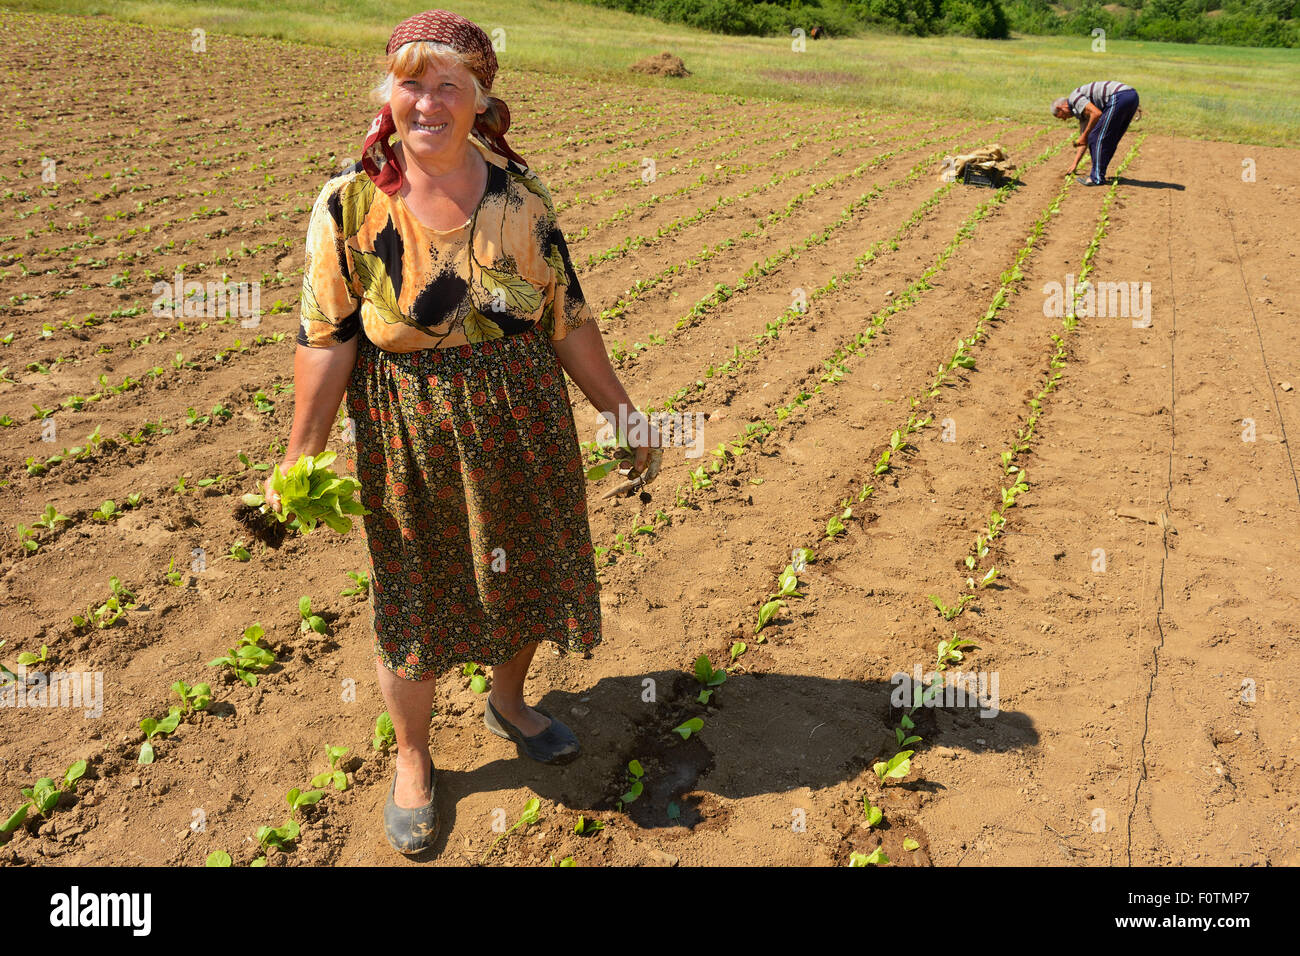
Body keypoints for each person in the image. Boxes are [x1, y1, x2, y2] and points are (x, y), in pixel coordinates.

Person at [265, 8, 662, 856]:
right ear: (389, 93)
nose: (430, 102)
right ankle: (414, 758)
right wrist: (302, 452)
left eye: (450, 86)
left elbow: (566, 318)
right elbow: (326, 338)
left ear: (481, 101)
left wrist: (620, 410)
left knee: (522, 569)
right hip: (410, 427)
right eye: (413, 83)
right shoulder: (351, 204)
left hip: (521, 418)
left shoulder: (521, 199)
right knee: (415, 594)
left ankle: (509, 701)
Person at [1052, 81, 1139, 187]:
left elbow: (1096, 114)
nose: (1064, 119)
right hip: (1131, 96)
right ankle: (1099, 174)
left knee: (1095, 137)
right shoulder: (1082, 113)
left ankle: (1096, 178)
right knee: (1110, 139)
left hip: (1120, 96)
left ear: (1060, 108)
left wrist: (1084, 136)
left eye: (1061, 116)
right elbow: (1083, 140)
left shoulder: (1074, 98)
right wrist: (1075, 164)